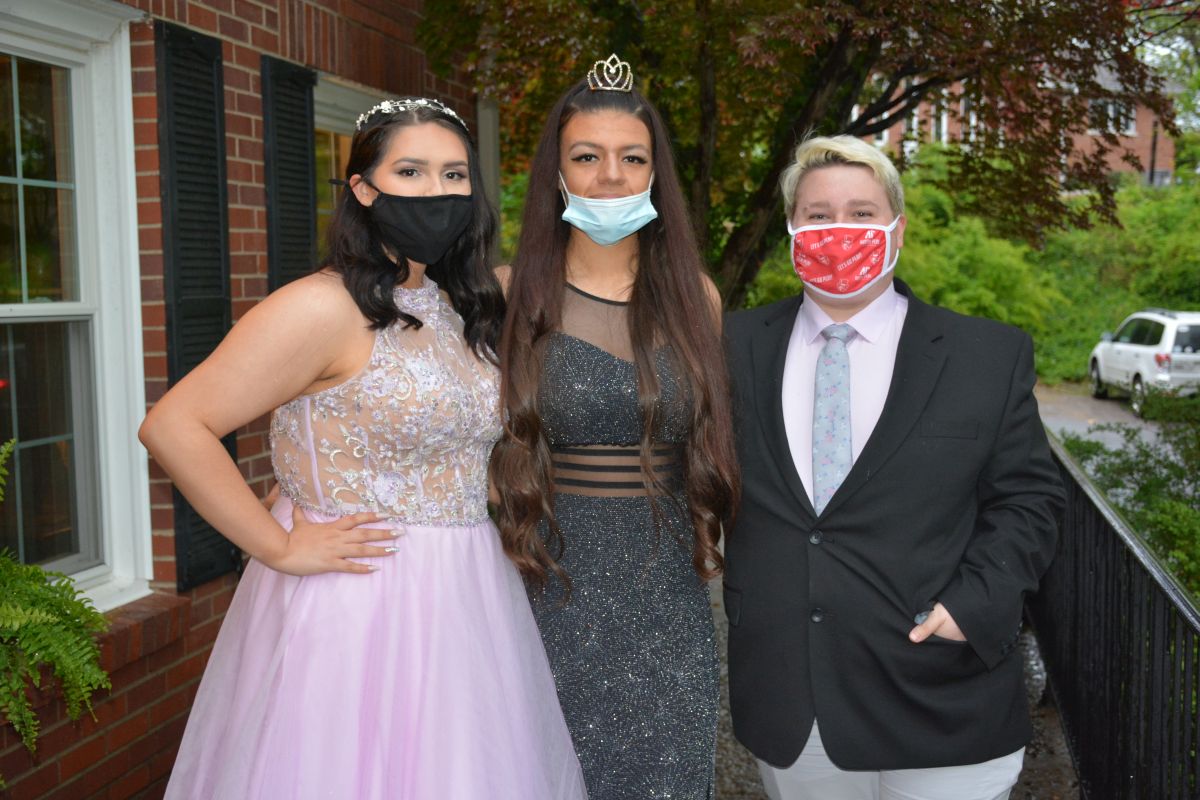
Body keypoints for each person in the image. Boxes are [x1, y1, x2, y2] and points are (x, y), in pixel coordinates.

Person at [140, 97, 585, 800]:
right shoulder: (320, 306)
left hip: (467, 597)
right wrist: (278, 545)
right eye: (411, 171)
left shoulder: (458, 307)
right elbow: (174, 424)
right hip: (359, 597)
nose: (436, 191)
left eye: (454, 175)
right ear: (363, 188)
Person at [723, 134, 1065, 800]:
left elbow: (1029, 499)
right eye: (818, 215)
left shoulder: (985, 355)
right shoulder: (729, 347)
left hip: (943, 693)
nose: (839, 230)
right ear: (792, 230)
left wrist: (975, 604)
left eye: (861, 212)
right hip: (794, 701)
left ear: (897, 229)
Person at [490, 55, 740, 799]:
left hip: (668, 600)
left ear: (656, 174)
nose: (610, 176)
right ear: (555, 171)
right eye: (586, 157)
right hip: (548, 585)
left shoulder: (696, 297)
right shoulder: (506, 295)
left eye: (633, 158)